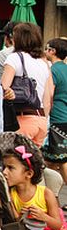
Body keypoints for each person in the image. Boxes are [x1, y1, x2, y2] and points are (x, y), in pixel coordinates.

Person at [1, 23, 53, 146]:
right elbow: (48, 97)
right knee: (32, 163)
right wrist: (45, 120)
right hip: (41, 120)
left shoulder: (14, 58)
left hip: (22, 119)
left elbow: (3, 88)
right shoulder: (45, 63)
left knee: (14, 160)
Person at [42, 38, 67, 184]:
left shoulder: (53, 70)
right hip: (65, 116)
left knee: (62, 159)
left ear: (53, 51)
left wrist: (44, 115)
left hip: (57, 117)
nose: (45, 52)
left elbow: (49, 95)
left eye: (47, 49)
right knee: (50, 160)